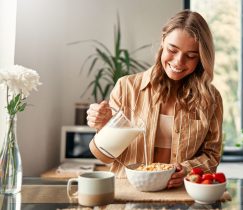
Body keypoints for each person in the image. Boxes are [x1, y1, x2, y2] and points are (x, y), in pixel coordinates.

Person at [86, 10, 223, 189]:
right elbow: (104, 156)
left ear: (201, 58)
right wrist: (103, 127)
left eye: (191, 56)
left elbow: (212, 155)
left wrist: (187, 169)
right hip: (128, 192)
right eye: (172, 50)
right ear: (163, 41)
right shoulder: (127, 87)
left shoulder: (210, 98)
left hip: (179, 195)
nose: (179, 61)